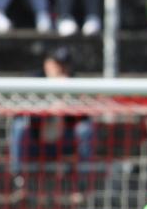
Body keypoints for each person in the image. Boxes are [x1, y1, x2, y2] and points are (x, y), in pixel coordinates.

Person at [8, 47, 94, 188]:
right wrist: (46, 109)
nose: (61, 69)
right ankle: (19, 178)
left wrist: (69, 105)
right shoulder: (33, 80)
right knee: (20, 126)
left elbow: (86, 118)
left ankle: (82, 181)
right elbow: (18, 112)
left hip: (65, 142)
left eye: (65, 64)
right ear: (47, 64)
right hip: (36, 140)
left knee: (85, 129)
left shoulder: (77, 84)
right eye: (58, 64)